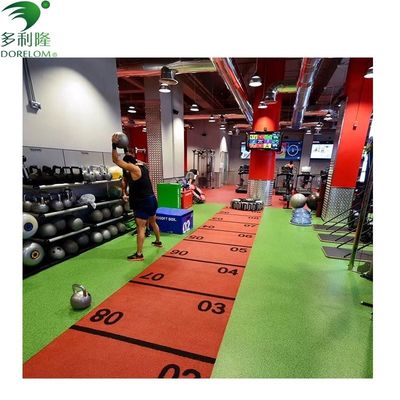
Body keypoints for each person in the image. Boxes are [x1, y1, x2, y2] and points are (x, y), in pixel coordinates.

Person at [111, 134, 162, 260]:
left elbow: (116, 160)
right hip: (152, 199)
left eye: (126, 165)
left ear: (128, 164)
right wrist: (124, 147)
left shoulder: (133, 169)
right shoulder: (142, 166)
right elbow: (128, 157)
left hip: (143, 202)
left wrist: (113, 144)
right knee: (153, 222)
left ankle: (139, 254)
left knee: (141, 228)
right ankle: (158, 242)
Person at [121, 149, 151, 238]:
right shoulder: (125, 167)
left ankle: (147, 229)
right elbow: (124, 180)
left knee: (145, 212)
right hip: (133, 193)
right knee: (136, 212)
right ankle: (139, 229)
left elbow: (146, 179)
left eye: (130, 154)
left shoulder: (139, 165)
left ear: (133, 155)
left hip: (142, 193)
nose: (128, 155)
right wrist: (124, 193)